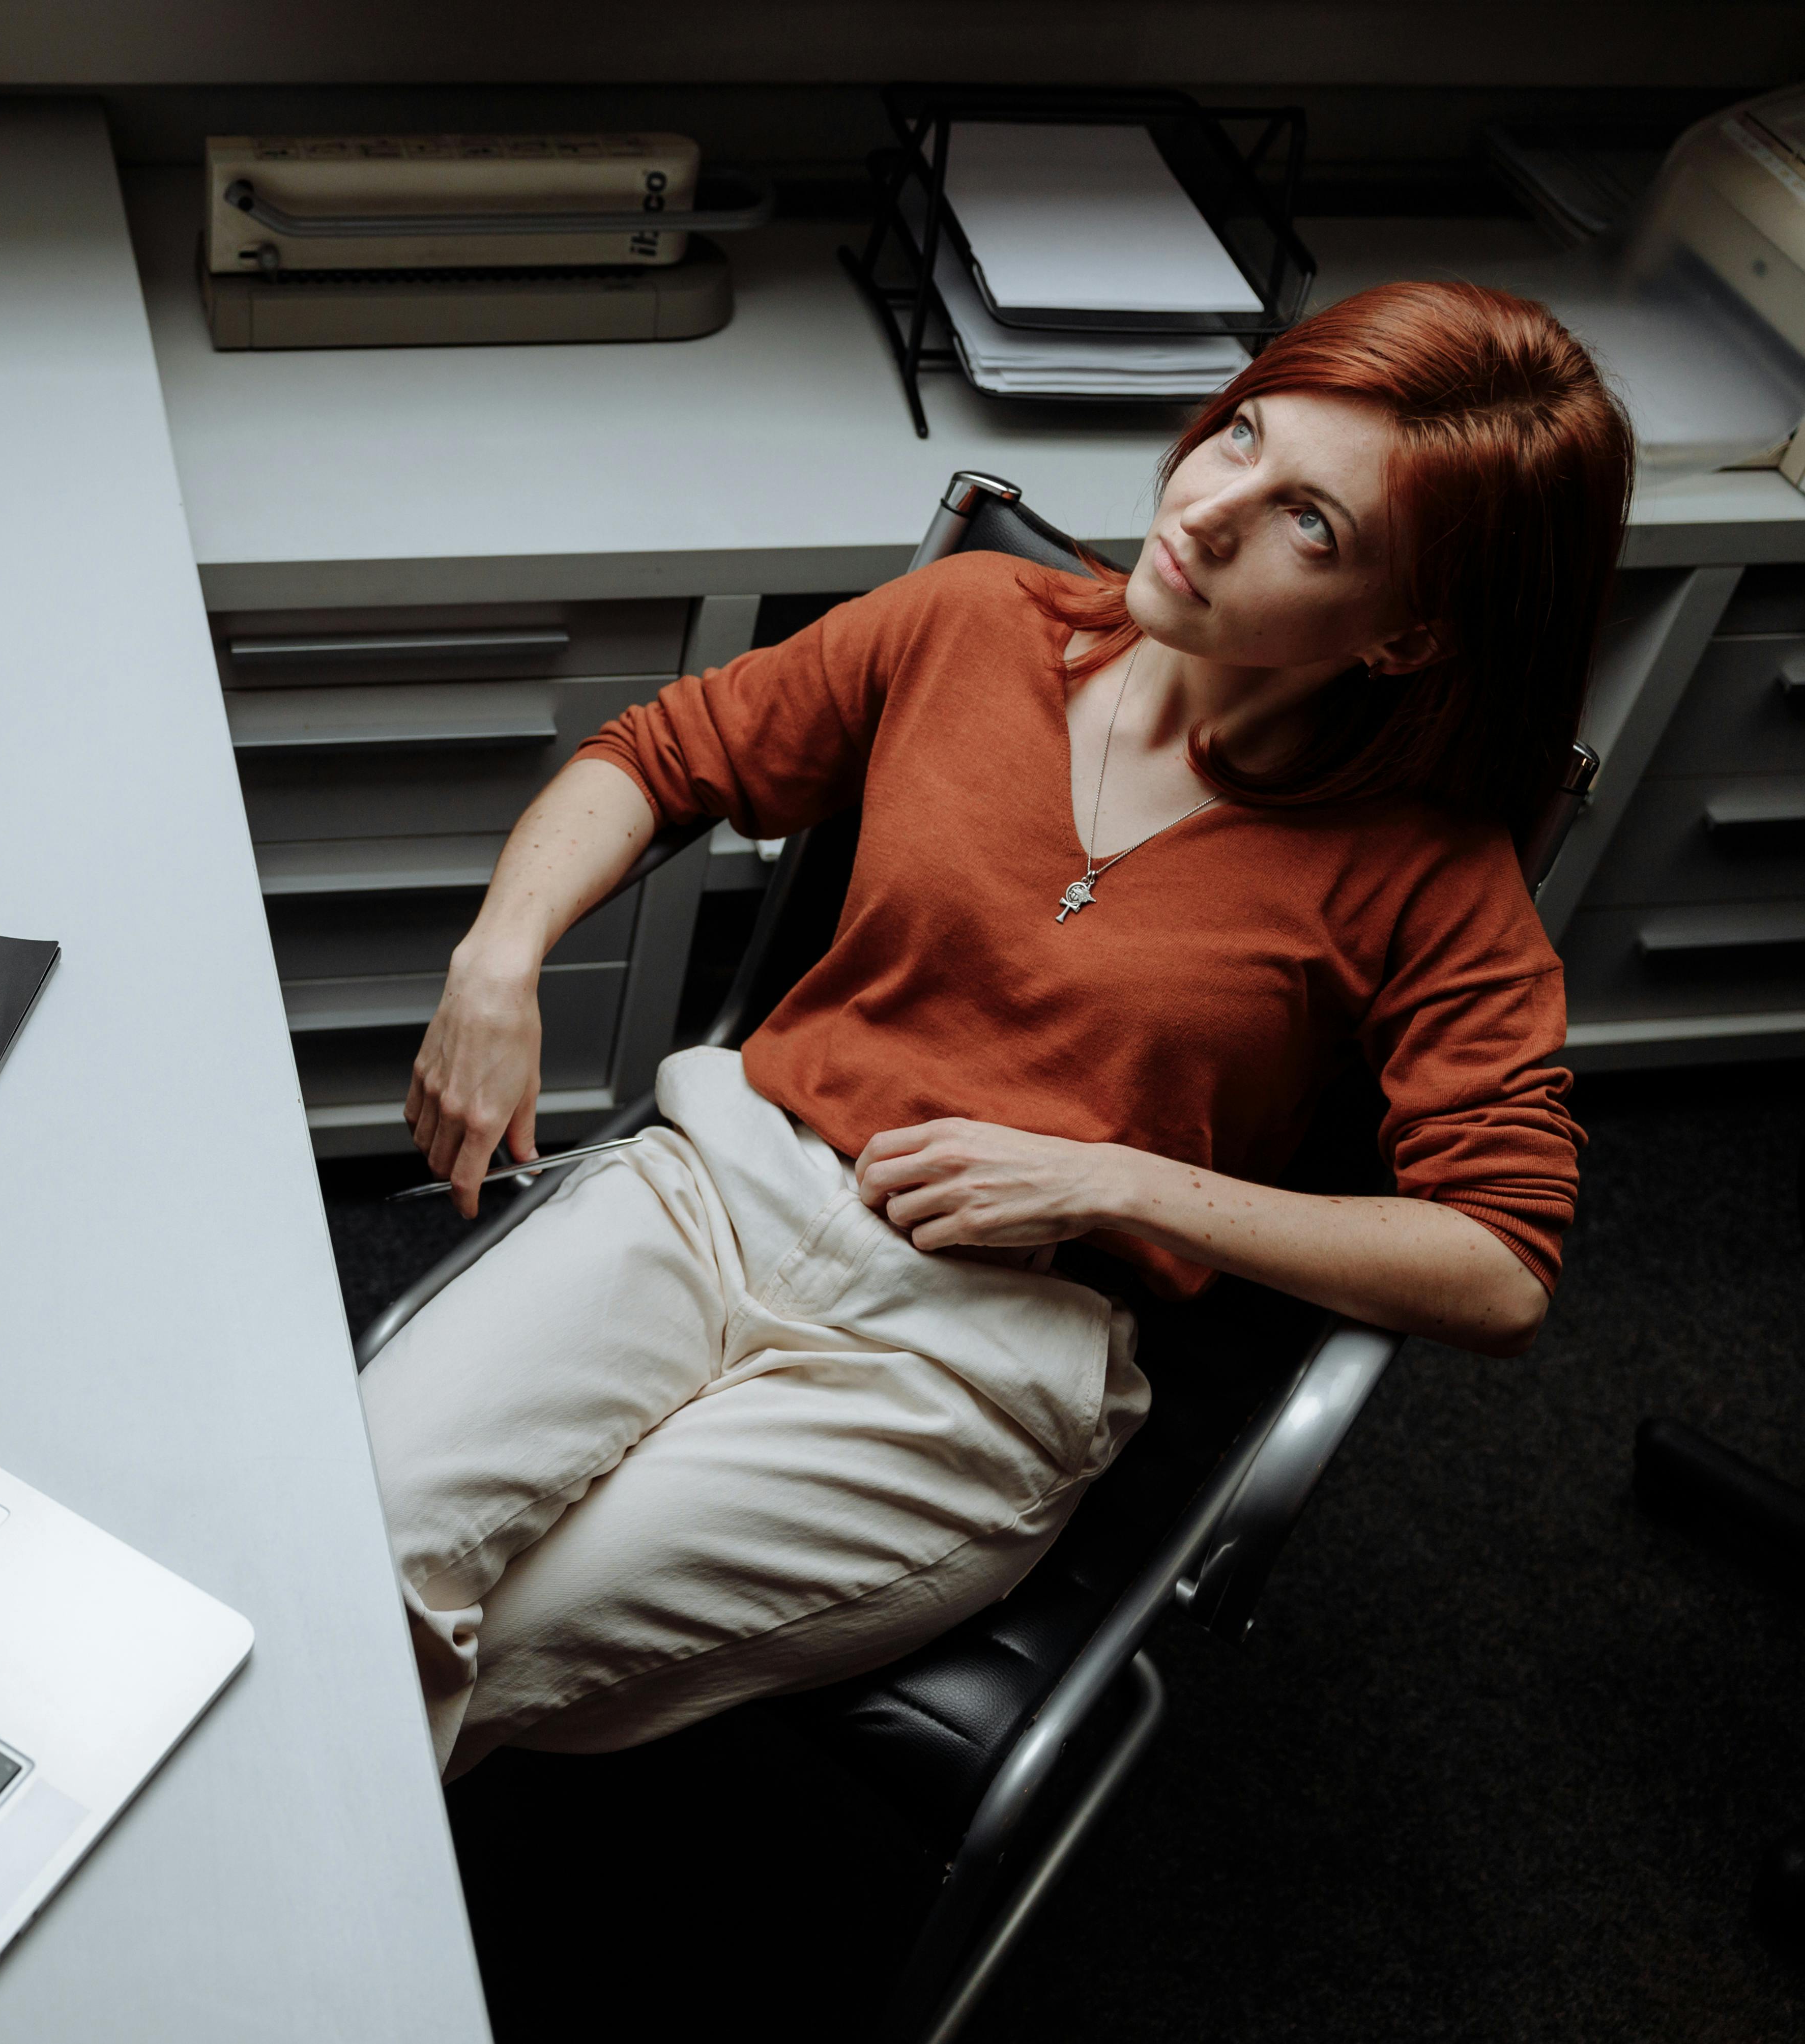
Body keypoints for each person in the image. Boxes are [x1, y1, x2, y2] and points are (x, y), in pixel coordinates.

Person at [364, 281, 1634, 1780]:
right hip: (713, 1195)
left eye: (1312, 524)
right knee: (353, 1561)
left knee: (442, 1672)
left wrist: (1112, 1182)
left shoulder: (1428, 873)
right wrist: (497, 960)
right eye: (1238, 436)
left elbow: (1498, 1269)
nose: (1208, 509)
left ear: (1407, 636)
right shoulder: (971, 622)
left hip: (968, 1365)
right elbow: (655, 755)